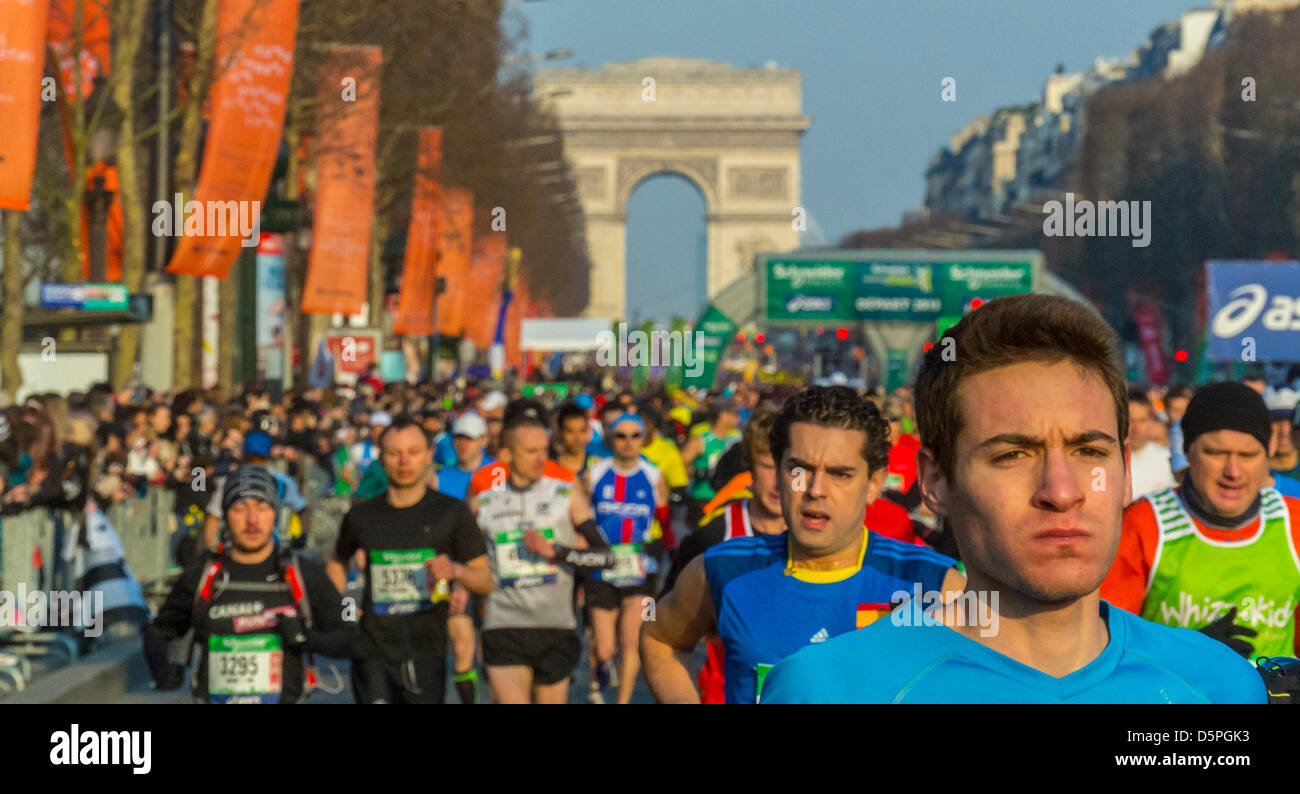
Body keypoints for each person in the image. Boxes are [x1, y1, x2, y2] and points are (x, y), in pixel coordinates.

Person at [761, 294, 1267, 703]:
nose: (1062, 492)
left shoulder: (1220, 687)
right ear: (935, 481)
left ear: (1126, 471)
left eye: (1089, 450)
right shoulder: (825, 690)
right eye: (1012, 455)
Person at [642, 386, 962, 704]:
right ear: (779, 472)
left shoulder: (932, 584)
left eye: (840, 474)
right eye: (800, 470)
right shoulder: (722, 570)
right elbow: (660, 638)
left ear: (874, 484)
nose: (816, 489)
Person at [1102, 381, 1300, 661]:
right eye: (1215, 453)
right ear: (1187, 451)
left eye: (1248, 455)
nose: (1233, 471)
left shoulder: (1293, 522)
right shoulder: (1143, 525)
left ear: (1266, 455)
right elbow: (1107, 648)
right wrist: (1187, 650)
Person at [143, 466, 361, 703]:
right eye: (240, 508)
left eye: (262, 507)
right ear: (226, 515)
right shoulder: (203, 574)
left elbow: (349, 639)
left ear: (275, 513)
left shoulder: (301, 573)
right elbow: (160, 630)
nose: (252, 520)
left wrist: (306, 638)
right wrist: (164, 671)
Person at [326, 418, 493, 704]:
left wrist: (455, 570)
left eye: (413, 452)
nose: (404, 461)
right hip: (372, 649)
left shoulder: (451, 512)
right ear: (381, 458)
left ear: (429, 455)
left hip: (426, 648)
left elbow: (486, 580)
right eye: (394, 453)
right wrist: (349, 609)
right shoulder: (362, 516)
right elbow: (335, 564)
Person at [469, 413, 614, 703]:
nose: (541, 459)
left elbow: (605, 557)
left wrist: (557, 552)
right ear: (508, 453)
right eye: (531, 451)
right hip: (503, 624)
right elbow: (470, 565)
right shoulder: (482, 500)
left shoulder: (566, 493)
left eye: (545, 450)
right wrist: (473, 626)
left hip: (555, 626)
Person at [660, 404, 785, 704]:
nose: (780, 482)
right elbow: (658, 611)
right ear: (750, 465)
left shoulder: (821, 534)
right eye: (769, 466)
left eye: (790, 468)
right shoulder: (713, 534)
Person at [584, 413, 669, 704]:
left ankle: (622, 701)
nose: (628, 442)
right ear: (611, 439)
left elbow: (663, 524)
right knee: (605, 648)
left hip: (639, 567)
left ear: (643, 439)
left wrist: (662, 564)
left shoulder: (653, 475)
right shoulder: (595, 472)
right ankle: (599, 680)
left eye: (635, 435)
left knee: (631, 641)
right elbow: (581, 519)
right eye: (622, 435)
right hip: (601, 568)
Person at [201, 430, 308, 553]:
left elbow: (214, 517)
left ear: (244, 453)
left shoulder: (231, 481)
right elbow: (301, 508)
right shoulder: (283, 481)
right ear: (269, 453)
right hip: (274, 551)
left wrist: (210, 552)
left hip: (236, 551)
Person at [1126, 390, 1175, 501]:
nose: (1136, 429)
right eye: (1131, 421)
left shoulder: (1168, 458)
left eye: (1142, 421)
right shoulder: (1110, 462)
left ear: (1151, 421)